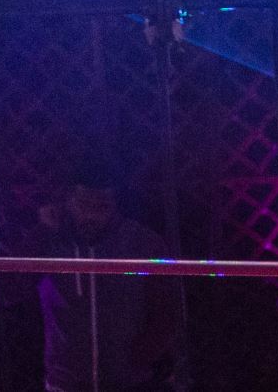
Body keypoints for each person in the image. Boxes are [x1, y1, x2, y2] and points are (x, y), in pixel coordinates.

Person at [27, 159, 180, 392]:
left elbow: (167, 310)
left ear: (116, 204)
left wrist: (140, 357)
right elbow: (6, 292)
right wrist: (42, 231)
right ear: (68, 201)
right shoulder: (51, 243)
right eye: (83, 204)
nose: (91, 215)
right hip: (65, 383)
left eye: (101, 207)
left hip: (131, 382)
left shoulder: (141, 243)